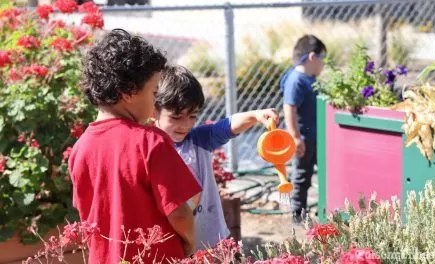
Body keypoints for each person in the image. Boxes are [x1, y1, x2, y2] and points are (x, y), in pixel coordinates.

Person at [68, 29, 201, 263]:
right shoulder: (151, 141)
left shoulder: (80, 149)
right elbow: (179, 214)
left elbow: (87, 216)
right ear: (128, 92)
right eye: (153, 91)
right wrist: (189, 242)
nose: (154, 101)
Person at [154, 64, 279, 250]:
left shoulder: (198, 140)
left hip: (211, 241)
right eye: (176, 117)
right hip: (172, 244)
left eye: (192, 116)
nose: (185, 125)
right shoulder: (149, 149)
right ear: (154, 110)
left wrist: (255, 115)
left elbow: (227, 126)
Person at [280, 34, 326, 223]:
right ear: (312, 57)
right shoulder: (297, 80)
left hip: (315, 137)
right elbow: (289, 107)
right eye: (323, 60)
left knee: (322, 172)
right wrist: (296, 137)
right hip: (304, 140)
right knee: (301, 176)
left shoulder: (309, 78)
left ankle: (324, 210)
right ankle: (298, 214)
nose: (323, 65)